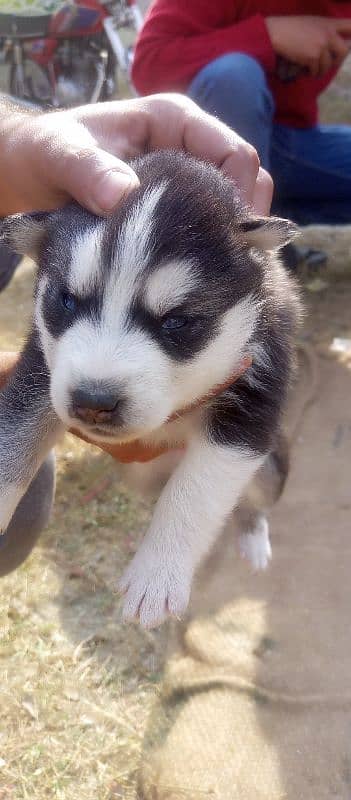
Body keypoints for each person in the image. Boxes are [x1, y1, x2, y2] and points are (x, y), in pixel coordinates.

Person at [0, 91, 271, 575]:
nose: (96, 378)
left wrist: (15, 143)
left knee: (258, 458)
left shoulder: (256, 311)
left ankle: (253, 519)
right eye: (67, 301)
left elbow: (240, 440)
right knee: (22, 520)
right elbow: (26, 397)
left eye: (177, 322)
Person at [132, 2, 351, 227]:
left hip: (293, 142)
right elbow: (149, 65)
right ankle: (234, 234)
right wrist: (268, 35)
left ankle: (272, 215)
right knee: (233, 77)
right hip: (206, 144)